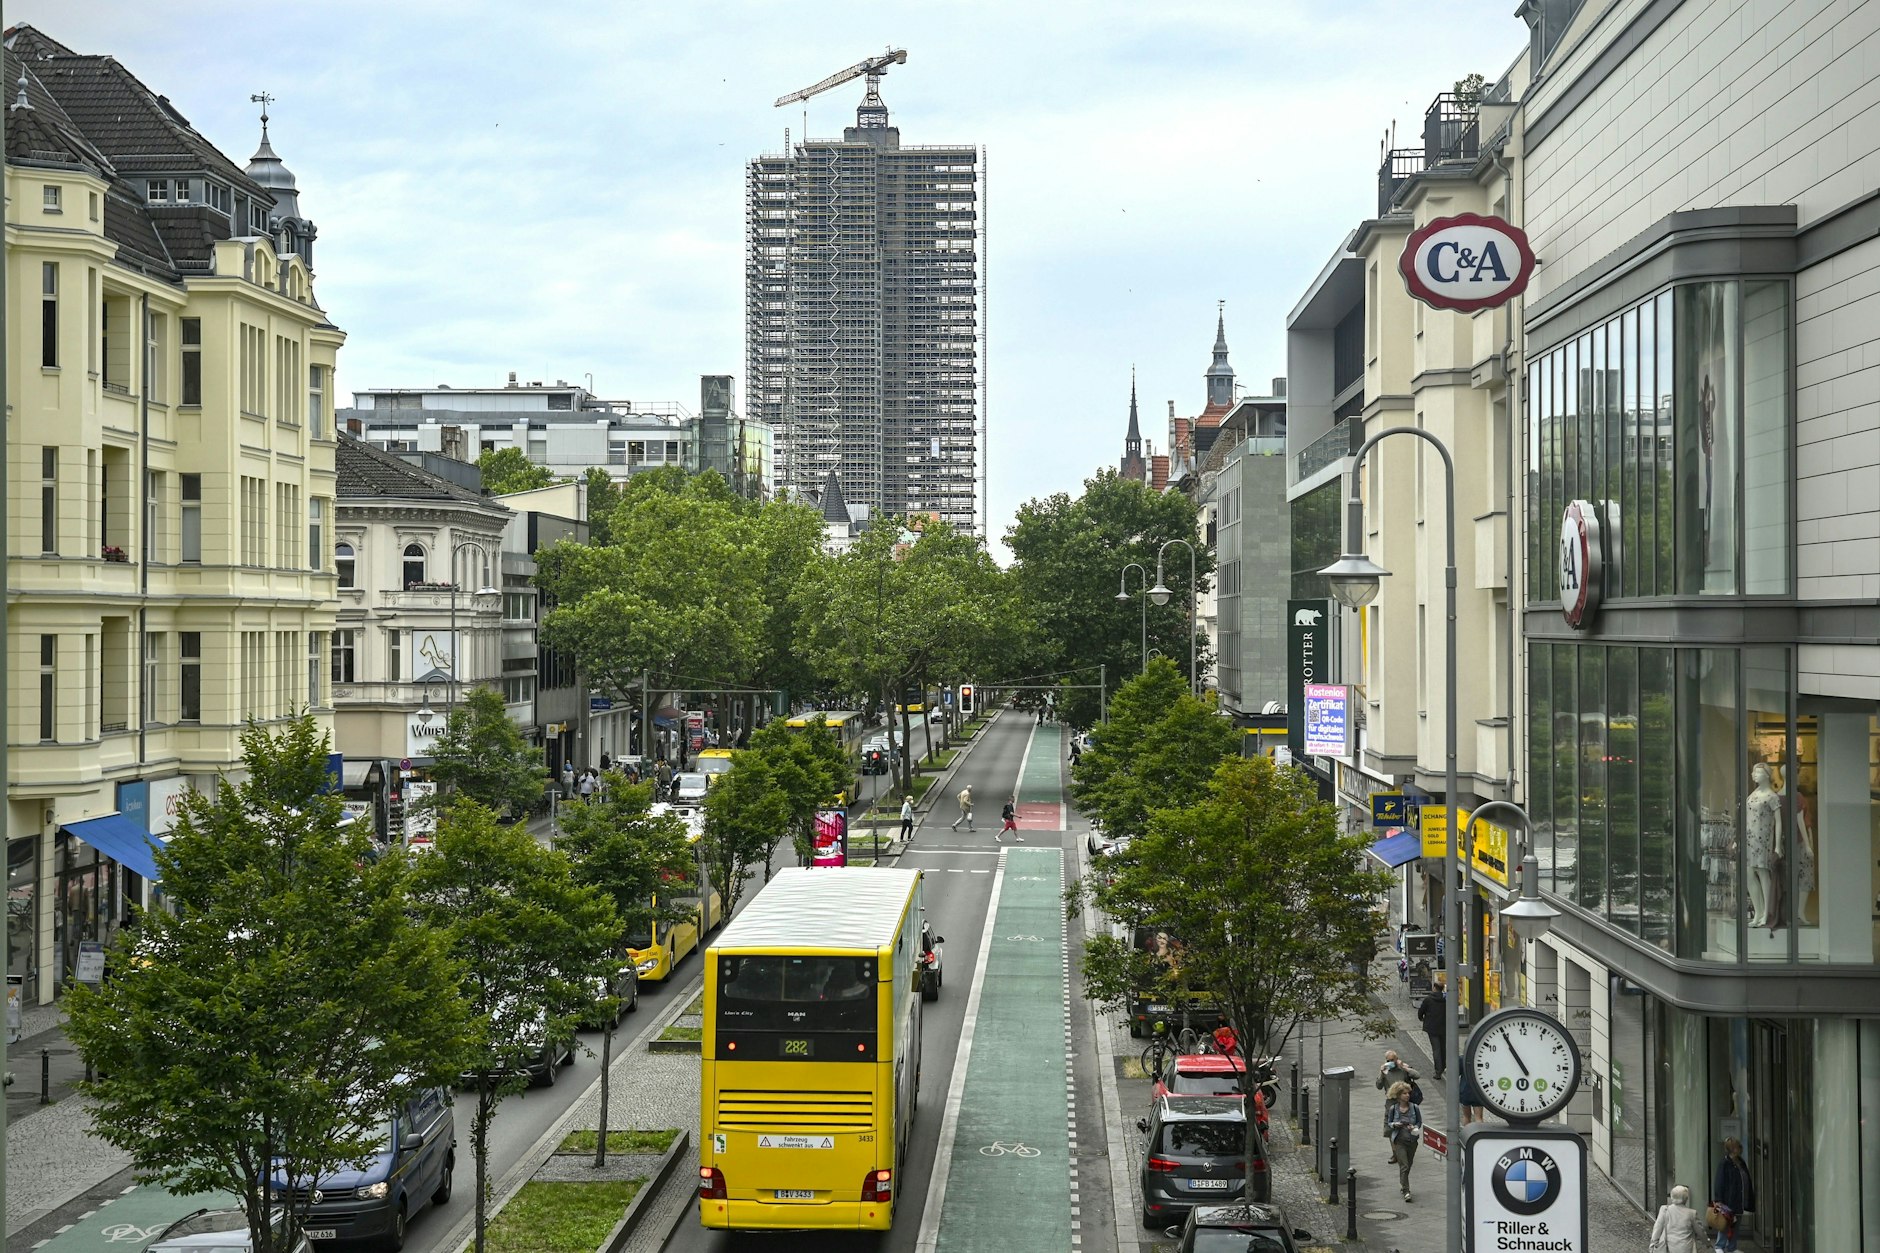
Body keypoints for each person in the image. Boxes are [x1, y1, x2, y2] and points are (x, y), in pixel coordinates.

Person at [1711, 1137, 1754, 1251]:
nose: (1740, 1148)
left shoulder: (1740, 1162)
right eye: (1738, 1147)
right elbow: (1719, 1182)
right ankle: (1720, 1246)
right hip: (1729, 1200)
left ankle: (1731, 1247)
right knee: (1725, 1224)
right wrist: (1718, 1199)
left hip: (1739, 1199)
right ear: (1733, 1149)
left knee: (1736, 1224)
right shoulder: (1725, 1163)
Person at [1376, 1050, 1421, 1154]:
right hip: (1391, 1102)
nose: (1390, 1062)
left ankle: (1407, 1147)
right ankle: (1395, 1153)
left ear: (1396, 1059)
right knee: (1390, 1128)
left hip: (1404, 1102)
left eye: (1392, 1060)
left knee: (1407, 1125)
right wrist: (1382, 1074)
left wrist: (1405, 1067)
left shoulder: (1402, 1068)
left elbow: (1417, 1075)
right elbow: (1378, 1086)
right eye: (1388, 1060)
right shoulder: (1385, 1070)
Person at [1384, 1080, 1422, 1202]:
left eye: (1408, 1093)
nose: (1407, 1095)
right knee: (1404, 1166)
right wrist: (1396, 1124)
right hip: (1399, 1141)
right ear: (1398, 1095)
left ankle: (1402, 1183)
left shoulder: (1414, 1108)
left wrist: (1414, 1127)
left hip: (1412, 1141)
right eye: (1404, 1093)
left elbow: (1419, 1122)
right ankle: (1406, 1191)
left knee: (1408, 1164)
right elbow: (1389, 1123)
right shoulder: (1393, 1109)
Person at [1650, 1184, 1710, 1253]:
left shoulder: (1665, 1210)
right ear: (1686, 1198)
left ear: (1672, 1197)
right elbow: (1700, 1231)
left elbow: (1657, 1228)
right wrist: (1707, 1243)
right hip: (1685, 1248)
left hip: (1667, 1247)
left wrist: (1653, 1244)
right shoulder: (1691, 1213)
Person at [1417, 975, 1448, 1078]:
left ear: (1434, 988)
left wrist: (1421, 1018)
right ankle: (1443, 1066)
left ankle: (1438, 1071)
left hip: (1432, 1027)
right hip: (1444, 1026)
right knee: (1443, 1047)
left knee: (1436, 1049)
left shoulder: (1428, 999)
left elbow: (1421, 1011)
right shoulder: (1446, 999)